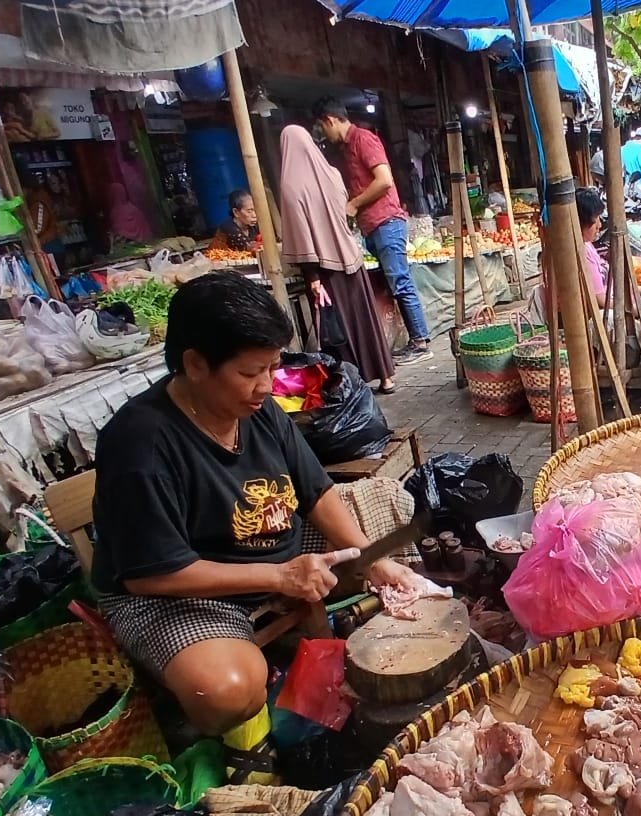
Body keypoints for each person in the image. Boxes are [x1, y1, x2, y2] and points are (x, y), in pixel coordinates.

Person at [90, 272, 418, 774]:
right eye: (250, 372)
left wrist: (371, 561)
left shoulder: (259, 408)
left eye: (272, 367)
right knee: (225, 689)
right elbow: (149, 573)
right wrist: (279, 577)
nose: (267, 385)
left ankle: (333, 610)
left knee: (390, 500)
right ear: (195, 364)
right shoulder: (140, 444)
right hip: (181, 584)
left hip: (265, 538)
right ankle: (252, 738)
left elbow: (316, 492)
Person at [313, 98, 433, 365]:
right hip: (374, 226)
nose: (325, 134)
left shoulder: (363, 139)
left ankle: (421, 342)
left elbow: (384, 181)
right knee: (395, 283)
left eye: (323, 127)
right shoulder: (346, 148)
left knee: (400, 282)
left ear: (330, 120)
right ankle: (415, 340)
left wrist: (354, 204)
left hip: (387, 222)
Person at [278, 125, 396, 394]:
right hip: (351, 259)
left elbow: (302, 233)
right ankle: (385, 377)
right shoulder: (332, 174)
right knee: (365, 321)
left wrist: (313, 277)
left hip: (324, 269)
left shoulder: (291, 186)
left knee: (339, 328)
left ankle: (350, 383)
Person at [576, 187, 606, 308]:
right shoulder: (582, 253)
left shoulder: (588, 245)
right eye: (594, 221)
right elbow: (601, 301)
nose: (599, 225)